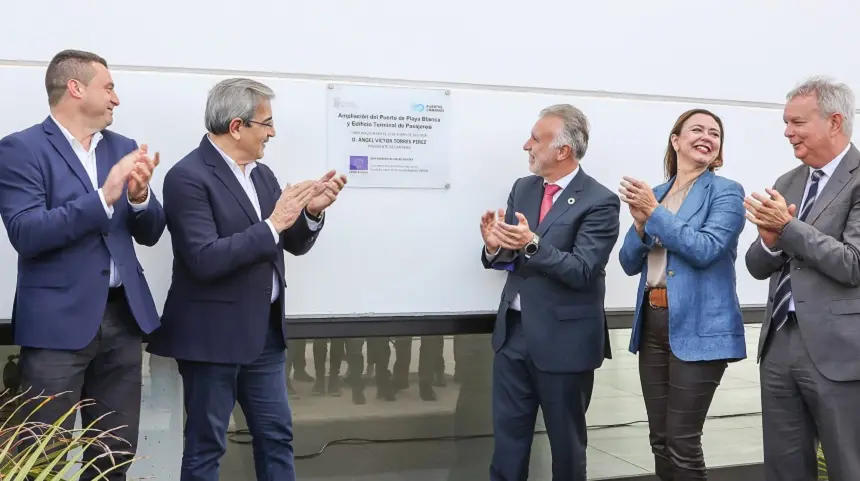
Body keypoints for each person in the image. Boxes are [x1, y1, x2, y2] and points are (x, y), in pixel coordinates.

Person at [145, 77, 346, 481]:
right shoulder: (187, 177)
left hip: (264, 338)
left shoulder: (263, 175)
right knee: (207, 445)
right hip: (212, 339)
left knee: (277, 437)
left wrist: (311, 213)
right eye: (266, 123)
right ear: (236, 127)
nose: (272, 133)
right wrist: (274, 222)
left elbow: (290, 243)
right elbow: (204, 258)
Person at [0, 49, 166, 480]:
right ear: (75, 88)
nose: (116, 99)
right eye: (108, 87)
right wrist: (103, 197)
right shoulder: (22, 149)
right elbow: (27, 232)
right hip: (56, 327)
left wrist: (139, 197)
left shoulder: (124, 148)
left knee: (114, 453)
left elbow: (150, 232)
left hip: (122, 319)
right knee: (41, 455)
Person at [479, 104, 620, 481]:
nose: (527, 145)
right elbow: (512, 256)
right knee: (508, 443)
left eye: (536, 139)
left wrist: (530, 244)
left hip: (565, 342)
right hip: (513, 335)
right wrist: (496, 247)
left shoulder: (600, 201)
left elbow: (582, 270)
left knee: (566, 447)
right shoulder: (523, 189)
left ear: (563, 150)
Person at [618, 108, 747, 480]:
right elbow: (628, 261)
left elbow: (706, 248)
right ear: (676, 141)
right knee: (659, 438)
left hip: (701, 327)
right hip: (654, 324)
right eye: (697, 130)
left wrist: (654, 214)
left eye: (715, 133)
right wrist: (642, 224)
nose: (707, 137)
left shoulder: (726, 192)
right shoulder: (655, 195)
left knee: (682, 441)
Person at [744, 76, 860, 480]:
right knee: (784, 466)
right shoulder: (787, 182)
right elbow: (757, 265)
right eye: (785, 122)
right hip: (779, 343)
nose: (787, 132)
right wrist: (771, 241)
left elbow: (853, 263)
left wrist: (788, 228)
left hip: (839, 352)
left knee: (848, 464)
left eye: (797, 122)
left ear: (834, 121)